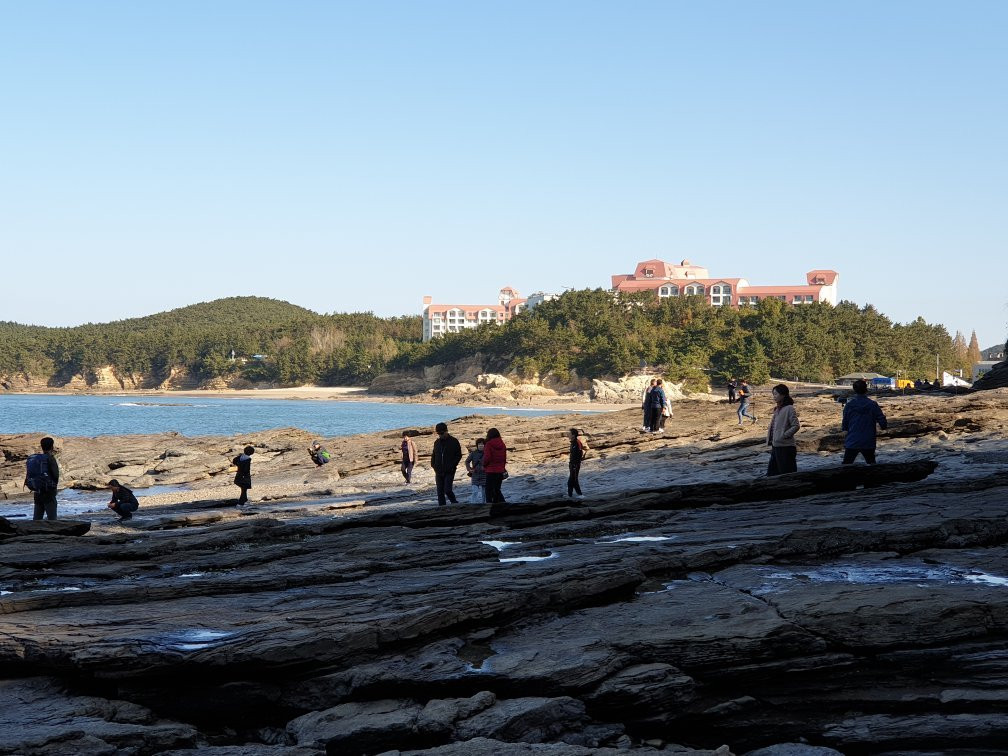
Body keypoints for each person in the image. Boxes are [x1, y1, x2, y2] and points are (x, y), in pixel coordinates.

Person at [842, 378, 888, 464]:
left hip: (852, 439)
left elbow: (845, 422)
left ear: (854, 390)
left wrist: (845, 430)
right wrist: (883, 426)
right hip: (868, 439)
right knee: (871, 462)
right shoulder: (872, 404)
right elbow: (881, 419)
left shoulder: (849, 405)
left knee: (847, 463)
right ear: (866, 390)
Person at [766, 384, 800, 475]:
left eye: (776, 394)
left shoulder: (789, 408)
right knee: (772, 474)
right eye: (773, 394)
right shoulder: (777, 409)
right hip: (775, 446)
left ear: (783, 394)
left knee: (787, 474)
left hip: (786, 447)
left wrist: (784, 435)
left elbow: (796, 426)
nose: (774, 396)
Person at [24, 436, 59, 521]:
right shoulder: (50, 458)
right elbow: (56, 475)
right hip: (48, 491)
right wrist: (54, 487)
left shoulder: (36, 458)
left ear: (41, 446)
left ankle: (34, 529)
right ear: (52, 446)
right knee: (52, 518)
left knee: (37, 518)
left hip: (37, 490)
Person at [430, 422, 462, 505]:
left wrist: (452, 466)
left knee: (447, 490)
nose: (440, 435)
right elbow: (434, 454)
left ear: (446, 431)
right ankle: (442, 508)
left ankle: (454, 503)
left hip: (449, 471)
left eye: (442, 433)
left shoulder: (454, 441)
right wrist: (433, 465)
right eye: (438, 434)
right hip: (438, 470)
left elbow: (458, 455)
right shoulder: (436, 442)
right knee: (440, 492)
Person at [482, 427, 508, 504]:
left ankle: (489, 506)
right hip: (500, 471)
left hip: (491, 471)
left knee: (488, 491)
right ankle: (503, 505)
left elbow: (487, 458)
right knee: (497, 490)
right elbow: (504, 458)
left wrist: (484, 465)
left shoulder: (488, 444)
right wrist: (503, 468)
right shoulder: (502, 444)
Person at [567, 428, 589, 499]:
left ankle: (578, 495)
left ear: (573, 435)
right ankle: (573, 495)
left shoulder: (577, 443)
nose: (568, 435)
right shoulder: (572, 442)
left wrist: (575, 464)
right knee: (572, 481)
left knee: (572, 481)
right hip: (572, 464)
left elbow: (580, 453)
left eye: (569, 433)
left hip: (575, 465)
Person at [464, 438, 487, 504]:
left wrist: (485, 468)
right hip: (475, 475)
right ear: (477, 445)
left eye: (482, 444)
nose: (481, 445)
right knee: (475, 492)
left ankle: (484, 505)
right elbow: (467, 461)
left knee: (484, 493)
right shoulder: (473, 453)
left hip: (485, 475)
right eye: (479, 444)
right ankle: (473, 505)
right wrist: (469, 469)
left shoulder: (487, 453)